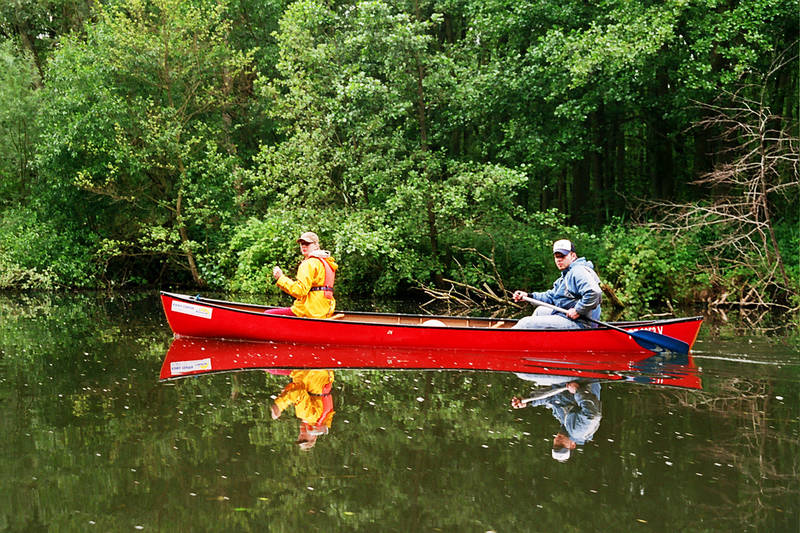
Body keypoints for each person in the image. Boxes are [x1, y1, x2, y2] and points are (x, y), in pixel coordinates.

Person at [512, 239, 602, 329]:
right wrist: (528, 296)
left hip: (581, 322)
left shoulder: (578, 271)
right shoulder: (566, 275)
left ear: (573, 256)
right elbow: (552, 297)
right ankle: (536, 341)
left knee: (526, 323)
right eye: (556, 256)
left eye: (562, 256)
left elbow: (594, 292)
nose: (559, 260)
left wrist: (578, 310)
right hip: (567, 316)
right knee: (540, 311)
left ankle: (505, 340)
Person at [511, 380, 602, 462]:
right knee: (525, 375)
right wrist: (578, 391)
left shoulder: (565, 423)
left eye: (555, 445)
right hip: (583, 379)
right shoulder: (577, 431)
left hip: (566, 381)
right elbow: (593, 415)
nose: (558, 441)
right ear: (572, 445)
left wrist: (528, 401)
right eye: (561, 445)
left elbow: (552, 399)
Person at [268, 231, 338, 318]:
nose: (303, 246)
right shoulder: (326, 262)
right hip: (324, 310)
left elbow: (299, 291)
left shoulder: (309, 263)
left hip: (309, 311)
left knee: (268, 314)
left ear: (316, 245)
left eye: (307, 243)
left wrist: (281, 278)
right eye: (301, 244)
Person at [269, 369, 335, 450]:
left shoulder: (323, 420)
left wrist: (286, 392)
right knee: (271, 370)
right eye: (304, 439)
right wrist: (278, 406)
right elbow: (298, 393)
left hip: (323, 372)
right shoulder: (307, 416)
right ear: (314, 437)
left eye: (299, 438)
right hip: (308, 370)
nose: (301, 435)